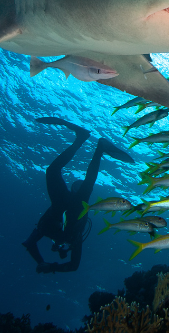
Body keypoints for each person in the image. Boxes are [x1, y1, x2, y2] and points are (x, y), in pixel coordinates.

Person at [22, 116, 132, 273]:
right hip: (74, 208)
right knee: (76, 180)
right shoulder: (74, 239)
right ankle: (94, 145)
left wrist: (44, 264)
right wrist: (48, 266)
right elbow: (73, 266)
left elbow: (29, 243)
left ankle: (87, 142)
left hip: (62, 204)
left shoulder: (53, 232)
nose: (58, 244)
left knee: (66, 176)